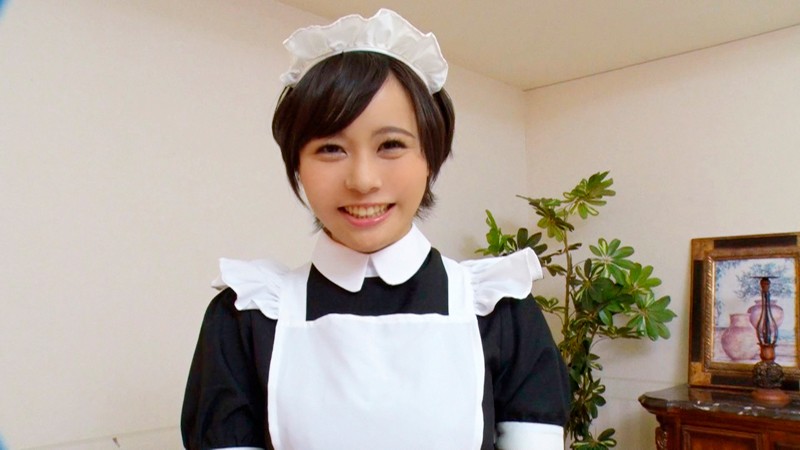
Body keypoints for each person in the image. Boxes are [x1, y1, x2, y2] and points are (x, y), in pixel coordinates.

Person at [181, 9, 569, 450]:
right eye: (331, 148)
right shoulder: (245, 319)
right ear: (298, 165)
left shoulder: (500, 312)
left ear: (430, 157)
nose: (363, 180)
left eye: (391, 145)